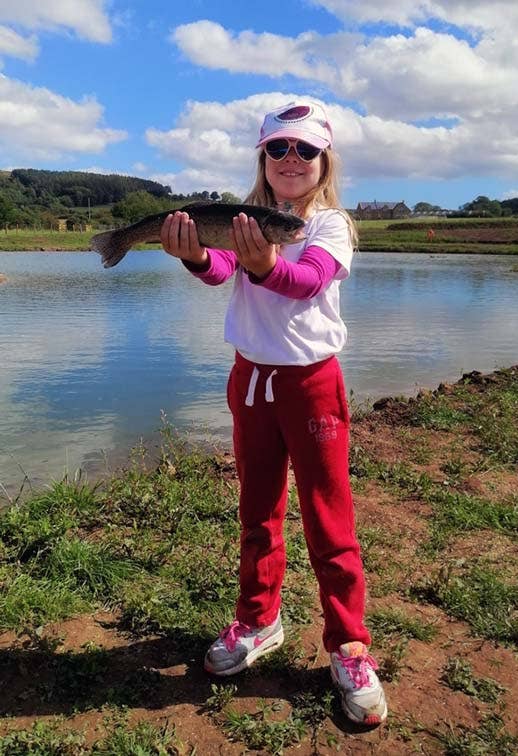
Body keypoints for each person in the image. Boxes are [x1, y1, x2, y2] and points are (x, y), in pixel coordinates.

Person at [160, 101, 388, 727]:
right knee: (257, 513)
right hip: (251, 380)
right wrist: (194, 255)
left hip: (313, 386)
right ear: (262, 157)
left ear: (323, 162)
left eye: (305, 151)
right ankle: (260, 621)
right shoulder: (243, 219)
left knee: (327, 516)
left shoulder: (332, 225)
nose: (292, 160)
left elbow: (308, 281)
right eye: (279, 148)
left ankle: (348, 646)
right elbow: (220, 269)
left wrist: (265, 262)